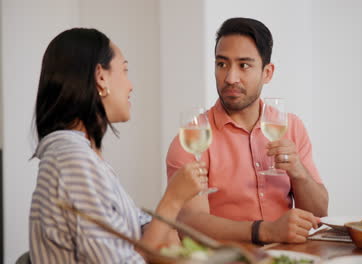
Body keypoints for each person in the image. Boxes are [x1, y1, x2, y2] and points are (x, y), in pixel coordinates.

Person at [29, 28, 208, 263]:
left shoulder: (82, 156)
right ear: (101, 77)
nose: (131, 85)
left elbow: (136, 226)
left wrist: (164, 226)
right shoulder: (73, 162)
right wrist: (173, 199)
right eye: (124, 70)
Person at [166, 17, 328, 245]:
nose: (230, 78)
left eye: (244, 65)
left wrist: (299, 173)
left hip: (288, 257)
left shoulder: (292, 127)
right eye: (222, 64)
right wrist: (267, 231)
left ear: (267, 73)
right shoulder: (192, 138)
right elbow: (190, 224)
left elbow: (319, 211)